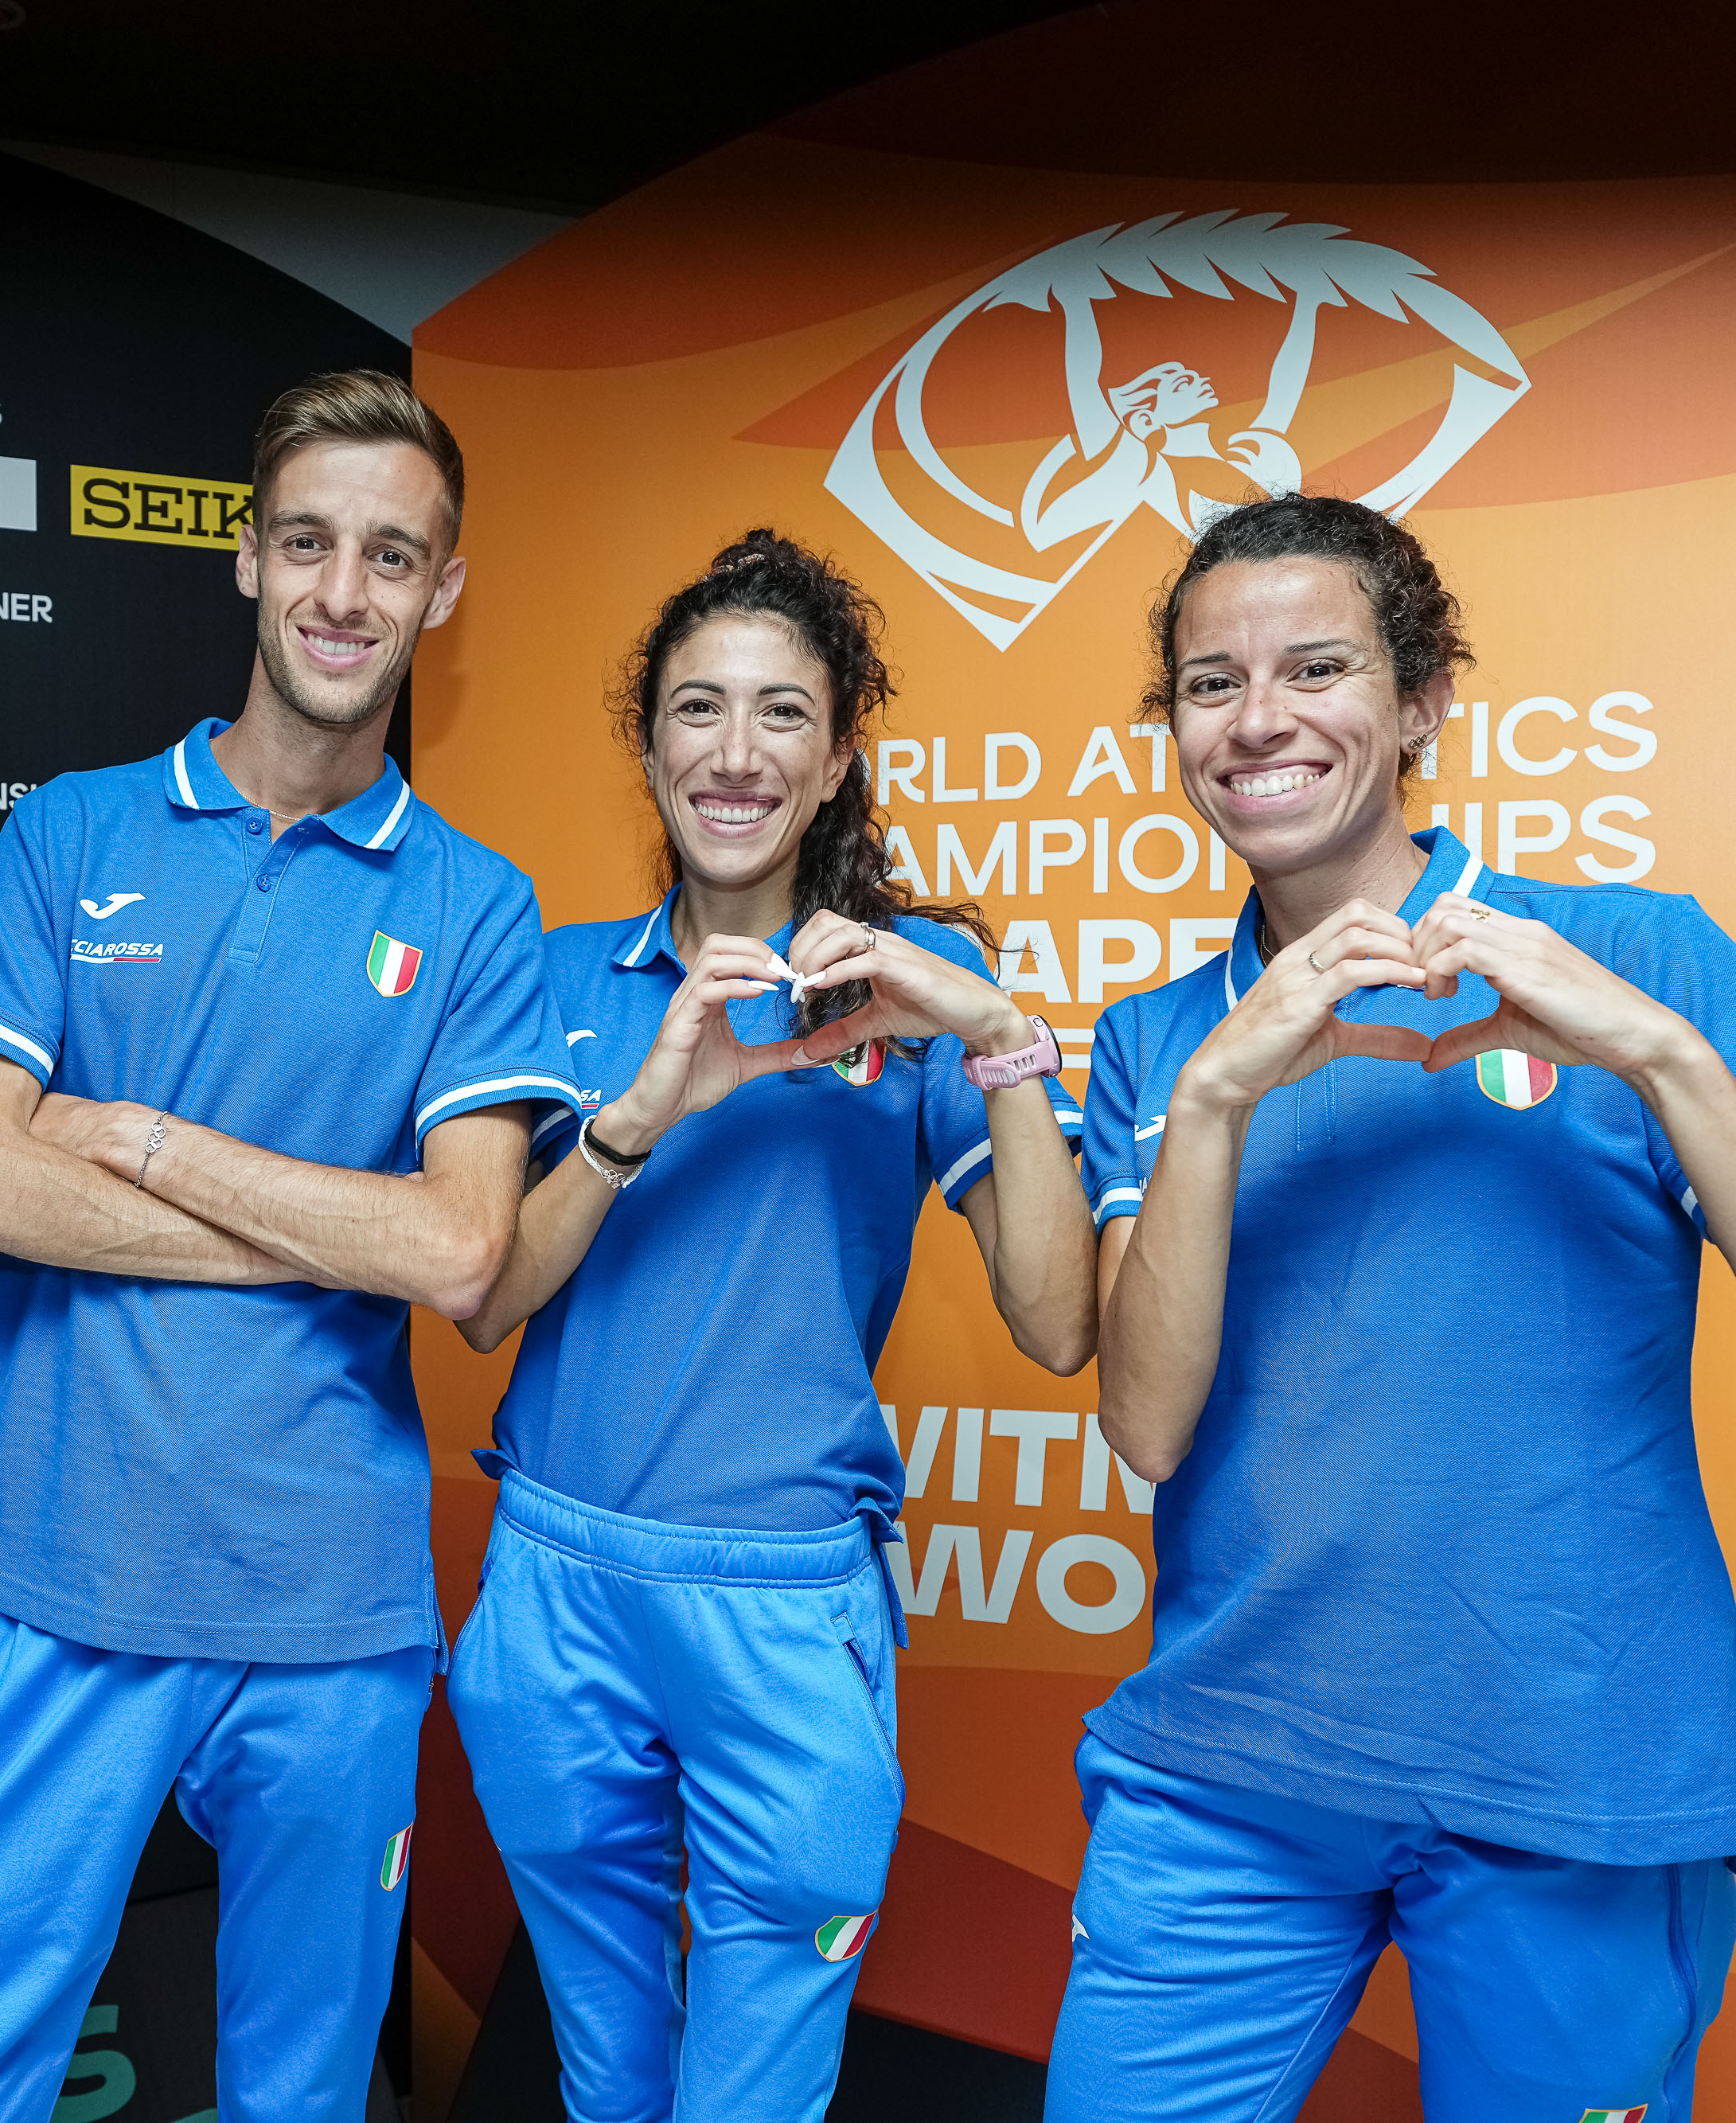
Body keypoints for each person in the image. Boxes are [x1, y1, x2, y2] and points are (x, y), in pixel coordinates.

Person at [1045, 493, 1736, 2121]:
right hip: (1226, 1767)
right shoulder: (1157, 1039)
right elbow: (1143, 1426)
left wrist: (1661, 1057)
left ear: (1420, 702)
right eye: (1209, 682)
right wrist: (1212, 1097)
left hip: (1573, 1780)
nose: (1255, 718)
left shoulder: (1631, 955)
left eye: (1315, 668)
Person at [0, 371, 579, 2123]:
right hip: (42, 1558)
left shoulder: (476, 902)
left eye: (391, 556)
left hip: (325, 1600)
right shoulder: (73, 829)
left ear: (443, 592)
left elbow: (462, 1251)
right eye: (310, 543)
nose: (345, 592)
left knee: (303, 2095)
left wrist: (143, 1138)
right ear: (249, 558)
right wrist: (337, 1230)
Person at [444, 529, 1100, 2120]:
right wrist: (637, 1116)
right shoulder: (548, 977)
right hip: (554, 1581)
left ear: (836, 759)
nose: (734, 753)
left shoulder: (912, 988)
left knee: (755, 2085)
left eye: (780, 713)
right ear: (648, 745)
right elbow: (484, 1304)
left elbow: (1055, 1319)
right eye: (697, 708)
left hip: (787, 1602)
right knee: (603, 2068)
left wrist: (1000, 1031)